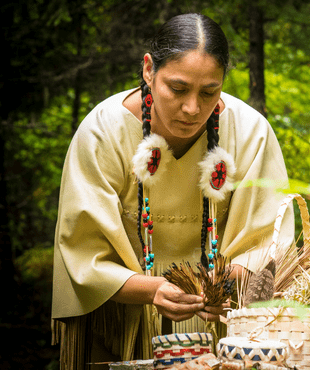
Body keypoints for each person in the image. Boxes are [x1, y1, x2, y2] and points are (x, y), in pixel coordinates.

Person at [51, 13, 294, 369]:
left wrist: (224, 284)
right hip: (119, 321)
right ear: (149, 70)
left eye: (210, 91)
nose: (192, 108)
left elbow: (268, 242)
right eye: (178, 89)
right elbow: (82, 251)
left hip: (221, 326)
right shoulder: (102, 132)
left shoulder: (251, 132)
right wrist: (151, 290)